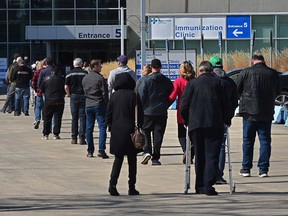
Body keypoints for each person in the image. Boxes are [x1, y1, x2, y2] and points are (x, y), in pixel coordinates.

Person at [180, 61, 230, 196]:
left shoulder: (192, 84)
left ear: (200, 71)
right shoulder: (220, 83)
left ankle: (199, 186)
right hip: (215, 123)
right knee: (212, 155)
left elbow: (183, 105)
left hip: (196, 124)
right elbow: (227, 104)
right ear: (211, 70)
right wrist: (227, 119)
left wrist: (186, 120)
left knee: (200, 155)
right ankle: (208, 185)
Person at [236, 54, 281, 178]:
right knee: (265, 141)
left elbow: (237, 89)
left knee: (247, 141)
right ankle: (263, 169)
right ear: (263, 61)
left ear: (253, 61)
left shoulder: (245, 72)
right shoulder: (272, 73)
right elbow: (278, 91)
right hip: (266, 112)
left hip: (249, 113)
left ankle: (246, 168)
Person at [106, 72, 144, 196]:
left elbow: (109, 114)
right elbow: (140, 114)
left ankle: (112, 185)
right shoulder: (134, 95)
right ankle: (131, 186)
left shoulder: (114, 96)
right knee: (132, 160)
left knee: (118, 159)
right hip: (131, 131)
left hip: (117, 131)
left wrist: (110, 127)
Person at [138, 58, 173, 166]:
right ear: (160, 67)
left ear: (151, 68)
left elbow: (141, 96)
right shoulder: (166, 81)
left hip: (147, 111)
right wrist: (165, 105)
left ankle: (147, 151)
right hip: (161, 111)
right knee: (158, 134)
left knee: (146, 131)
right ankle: (156, 157)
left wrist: (141, 108)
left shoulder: (146, 80)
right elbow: (171, 95)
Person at [209, 56, 238, 184]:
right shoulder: (230, 82)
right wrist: (229, 116)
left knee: (208, 147)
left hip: (209, 118)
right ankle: (219, 175)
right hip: (224, 119)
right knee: (221, 147)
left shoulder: (209, 81)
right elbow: (234, 102)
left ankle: (209, 174)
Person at [169, 61, 196, 164]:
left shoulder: (178, 81)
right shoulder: (194, 81)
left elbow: (172, 96)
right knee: (193, 135)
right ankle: (191, 153)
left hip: (182, 110)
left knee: (181, 134)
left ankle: (185, 150)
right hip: (194, 110)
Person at [82, 59, 109, 159]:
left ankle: (90, 150)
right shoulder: (100, 78)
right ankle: (101, 150)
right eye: (100, 66)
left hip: (88, 104)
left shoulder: (85, 78)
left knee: (89, 128)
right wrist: (107, 104)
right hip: (99, 104)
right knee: (102, 127)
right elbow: (105, 93)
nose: (101, 67)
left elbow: (84, 91)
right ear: (95, 66)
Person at [65, 58, 88, 145]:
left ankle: (74, 138)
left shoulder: (69, 73)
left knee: (74, 117)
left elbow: (66, 87)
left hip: (73, 96)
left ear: (73, 64)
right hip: (83, 96)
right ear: (81, 64)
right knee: (83, 117)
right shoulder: (85, 73)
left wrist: (68, 94)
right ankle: (82, 138)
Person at [40, 66, 66, 140]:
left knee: (47, 118)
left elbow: (42, 89)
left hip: (49, 101)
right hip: (59, 101)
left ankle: (46, 134)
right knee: (58, 118)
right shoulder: (62, 80)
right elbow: (64, 90)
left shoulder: (45, 79)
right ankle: (56, 134)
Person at [31, 59, 46, 129]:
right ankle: (44, 119)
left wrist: (36, 90)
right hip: (48, 92)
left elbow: (33, 82)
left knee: (38, 107)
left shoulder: (37, 72)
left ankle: (37, 119)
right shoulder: (50, 71)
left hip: (39, 92)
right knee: (45, 107)